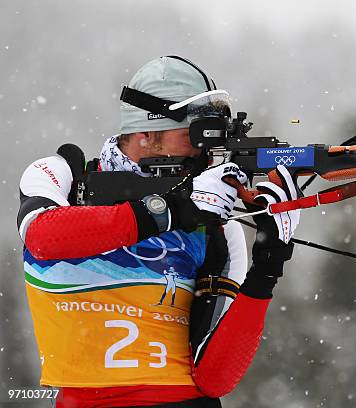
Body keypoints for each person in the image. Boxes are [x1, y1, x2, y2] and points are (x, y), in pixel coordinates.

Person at [17, 56, 301, 407]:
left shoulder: (216, 229)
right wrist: (170, 212)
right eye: (194, 136)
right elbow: (42, 238)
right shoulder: (63, 174)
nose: (205, 153)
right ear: (146, 134)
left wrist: (268, 267)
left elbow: (215, 378)